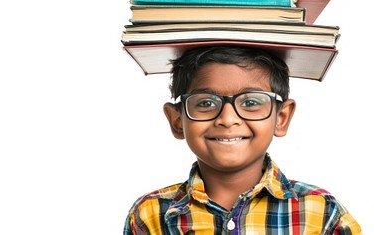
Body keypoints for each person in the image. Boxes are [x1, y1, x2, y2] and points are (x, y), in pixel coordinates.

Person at [123, 46, 361, 234]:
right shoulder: (151, 215)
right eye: (206, 103)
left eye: (250, 102)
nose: (227, 119)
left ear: (282, 117)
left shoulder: (322, 213)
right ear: (177, 121)